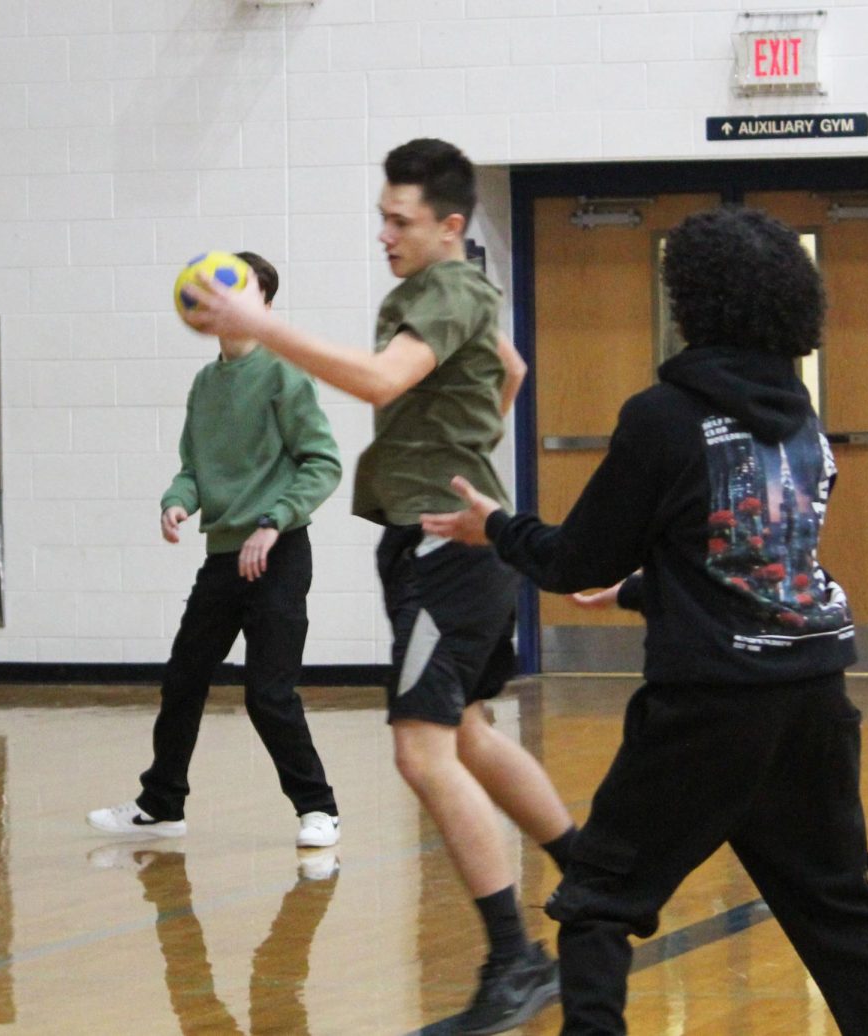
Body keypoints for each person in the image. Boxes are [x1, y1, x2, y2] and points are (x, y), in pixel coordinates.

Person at [421, 207, 868, 1035]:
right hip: (813, 696)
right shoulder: (796, 415)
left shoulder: (663, 415)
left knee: (596, 901)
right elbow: (756, 561)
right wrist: (633, 594)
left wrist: (498, 528)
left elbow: (573, 557)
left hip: (710, 711)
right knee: (841, 917)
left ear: (691, 302)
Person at [180, 139, 575, 1035]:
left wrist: (257, 321)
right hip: (442, 539)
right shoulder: (461, 291)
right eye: (382, 217)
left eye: (400, 221)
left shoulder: (441, 290)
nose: (384, 235)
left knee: (421, 750)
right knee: (467, 734)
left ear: (450, 226)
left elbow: (378, 378)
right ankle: (587, 871)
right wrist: (463, 450)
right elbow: (509, 372)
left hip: (447, 553)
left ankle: (515, 961)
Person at [88, 250, 344, 851]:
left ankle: (319, 808)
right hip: (224, 558)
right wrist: (176, 500)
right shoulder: (205, 384)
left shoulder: (285, 374)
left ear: (264, 308)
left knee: (268, 694)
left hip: (277, 555)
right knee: (183, 680)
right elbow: (193, 469)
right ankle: (161, 805)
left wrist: (272, 521)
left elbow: (323, 464)